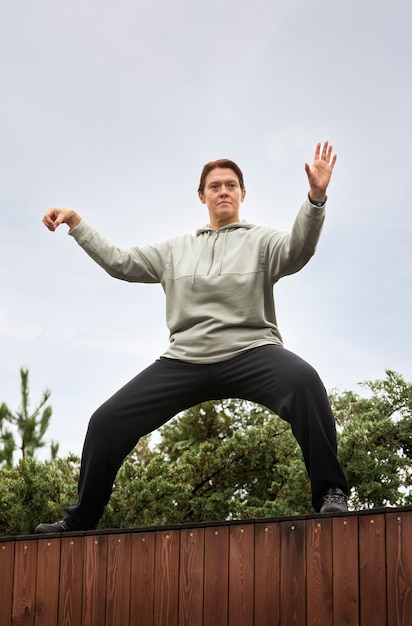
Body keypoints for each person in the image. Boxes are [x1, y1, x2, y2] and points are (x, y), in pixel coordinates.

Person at [35, 141, 349, 534]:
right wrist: (76, 222)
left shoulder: (262, 241)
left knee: (304, 383)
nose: (223, 191)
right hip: (185, 359)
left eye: (231, 185)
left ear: (242, 194)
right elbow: (120, 262)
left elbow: (299, 249)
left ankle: (331, 493)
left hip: (251, 350)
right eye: (215, 186)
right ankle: (79, 520)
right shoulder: (175, 250)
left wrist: (315, 199)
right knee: (106, 421)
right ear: (202, 196)